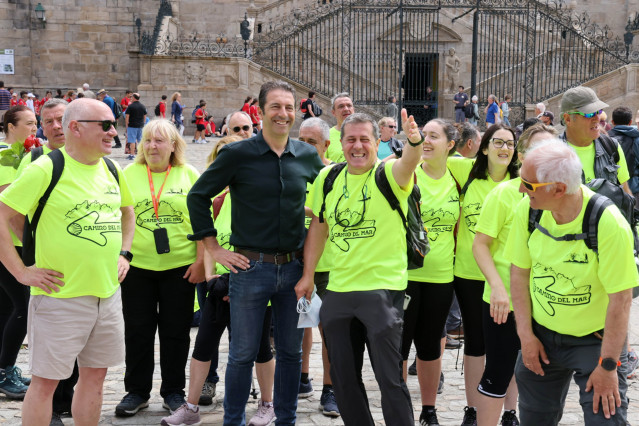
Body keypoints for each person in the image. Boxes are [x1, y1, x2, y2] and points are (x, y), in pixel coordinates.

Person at [187, 80, 324, 425]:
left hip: (293, 269)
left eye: (289, 107)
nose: (283, 113)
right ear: (260, 112)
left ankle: (286, 420)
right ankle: (232, 421)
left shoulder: (307, 156)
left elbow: (330, 198)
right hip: (250, 269)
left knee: (291, 354)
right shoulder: (238, 154)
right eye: (275, 107)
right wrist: (213, 248)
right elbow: (197, 196)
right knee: (242, 355)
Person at [0, 98, 135, 425]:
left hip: (107, 295)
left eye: (113, 124)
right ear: (76, 127)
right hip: (59, 298)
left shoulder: (113, 168)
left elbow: (128, 213)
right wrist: (21, 272)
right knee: (46, 383)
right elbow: (3, 216)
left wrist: (124, 254)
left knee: (95, 377)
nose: (113, 132)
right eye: (105, 124)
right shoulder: (46, 168)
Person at [295, 110, 422, 425]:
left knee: (390, 379)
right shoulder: (328, 177)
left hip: (382, 290)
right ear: (341, 142)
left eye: (365, 139)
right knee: (344, 380)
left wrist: (414, 141)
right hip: (338, 291)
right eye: (350, 139)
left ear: (377, 142)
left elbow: (409, 162)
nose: (357, 146)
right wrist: (308, 275)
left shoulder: (389, 172)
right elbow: (320, 228)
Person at [506, 141, 635, 425]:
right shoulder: (528, 211)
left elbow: (621, 300)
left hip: (595, 342)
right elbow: (519, 272)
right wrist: (526, 336)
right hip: (542, 336)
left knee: (607, 418)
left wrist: (609, 365)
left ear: (559, 189)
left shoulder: (607, 223)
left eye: (528, 184)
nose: (520, 190)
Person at [162, 133, 279, 426]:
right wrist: (213, 278)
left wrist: (242, 282)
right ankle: (190, 408)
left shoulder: (260, 199)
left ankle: (268, 404)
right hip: (220, 286)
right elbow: (209, 240)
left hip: (254, 285)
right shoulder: (219, 200)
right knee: (203, 344)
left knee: (261, 347)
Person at [114, 119, 204, 418]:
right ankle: (137, 391)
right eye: (148, 140)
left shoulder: (188, 174)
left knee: (176, 331)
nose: (152, 146)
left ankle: (173, 391)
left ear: (173, 146)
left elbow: (203, 224)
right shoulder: (129, 174)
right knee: (137, 330)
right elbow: (118, 217)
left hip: (179, 266)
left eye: (160, 141)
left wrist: (200, 261)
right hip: (138, 267)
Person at [472, 123, 558, 426]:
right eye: (536, 150)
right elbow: (480, 245)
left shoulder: (564, 196)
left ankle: (516, 416)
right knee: (498, 372)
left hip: (547, 303)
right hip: (504, 300)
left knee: (540, 374)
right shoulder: (504, 194)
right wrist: (496, 287)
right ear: (521, 155)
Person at [447, 123, 519, 425]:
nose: (505, 148)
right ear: (484, 147)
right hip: (469, 274)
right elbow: (423, 157)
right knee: (476, 343)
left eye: (510, 144)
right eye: (498, 142)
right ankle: (474, 410)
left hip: (508, 278)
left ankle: (510, 412)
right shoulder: (465, 174)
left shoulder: (522, 183)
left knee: (510, 346)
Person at [14, 99, 79, 425]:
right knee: (50, 343)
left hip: (83, 271)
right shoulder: (36, 160)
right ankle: (50, 407)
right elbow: (12, 214)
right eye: (48, 121)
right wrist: (33, 245)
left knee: (79, 339)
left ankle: (69, 400)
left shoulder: (91, 159)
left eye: (60, 119)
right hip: (47, 269)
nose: (55, 126)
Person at [400, 118, 459, 426]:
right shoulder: (407, 173)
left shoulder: (458, 177)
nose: (427, 140)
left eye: (434, 136)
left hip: (441, 277)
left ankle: (429, 410)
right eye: (424, 135)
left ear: (450, 144)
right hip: (405, 276)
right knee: (399, 345)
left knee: (431, 345)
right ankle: (399, 409)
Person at [296, 117, 340, 418]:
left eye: (312, 141)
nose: (304, 145)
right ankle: (301, 377)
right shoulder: (290, 168)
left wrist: (304, 210)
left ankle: (331, 388)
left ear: (326, 144)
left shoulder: (336, 174)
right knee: (299, 325)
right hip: (292, 260)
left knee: (330, 330)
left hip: (329, 264)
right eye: (302, 139)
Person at [0, 106, 38, 401]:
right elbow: (10, 211)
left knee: (6, 307)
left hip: (14, 244)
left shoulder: (26, 155)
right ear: (10, 126)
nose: (33, 128)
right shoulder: (5, 156)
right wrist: (31, 244)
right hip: (11, 245)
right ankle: (5, 370)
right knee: (24, 308)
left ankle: (3, 369)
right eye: (28, 123)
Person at [560, 86, 630, 192]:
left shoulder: (611, 146)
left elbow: (625, 194)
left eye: (598, 111)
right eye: (589, 113)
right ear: (568, 119)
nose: (597, 118)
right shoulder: (550, 154)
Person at [608, 106, 639, 203]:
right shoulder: (636, 138)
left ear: (612, 122)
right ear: (630, 122)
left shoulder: (605, 139)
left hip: (613, 190)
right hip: (634, 188)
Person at [325, 92, 354, 163]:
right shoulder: (326, 135)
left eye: (349, 105)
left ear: (353, 109)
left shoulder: (364, 133)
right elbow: (322, 162)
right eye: (341, 106)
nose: (346, 109)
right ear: (333, 112)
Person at [125, 93, 147, 160]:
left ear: (134, 98)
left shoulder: (130, 106)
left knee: (132, 140)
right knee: (140, 140)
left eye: (131, 97)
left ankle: (132, 154)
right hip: (140, 125)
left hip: (132, 125)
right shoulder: (143, 106)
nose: (131, 98)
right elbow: (145, 116)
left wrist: (126, 125)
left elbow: (127, 116)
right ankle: (141, 154)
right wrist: (143, 123)